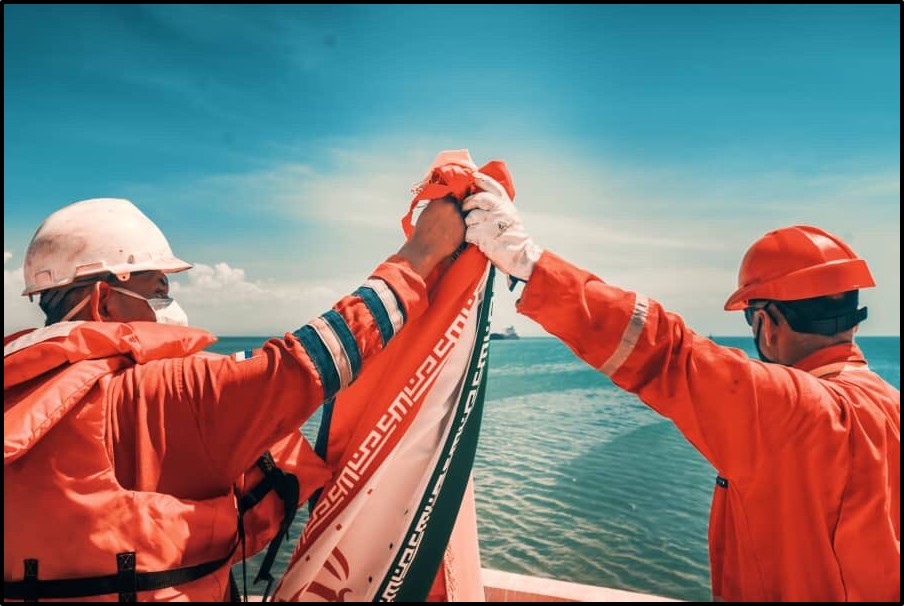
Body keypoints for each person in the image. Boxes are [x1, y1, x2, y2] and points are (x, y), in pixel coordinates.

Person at [461, 173, 900, 602]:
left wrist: (526, 261)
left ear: (766, 324)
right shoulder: (891, 406)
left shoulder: (789, 410)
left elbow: (663, 349)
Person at [4, 195, 465, 601]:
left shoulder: (19, 396)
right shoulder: (158, 393)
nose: (168, 304)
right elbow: (303, 364)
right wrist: (420, 254)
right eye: (158, 289)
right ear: (105, 301)